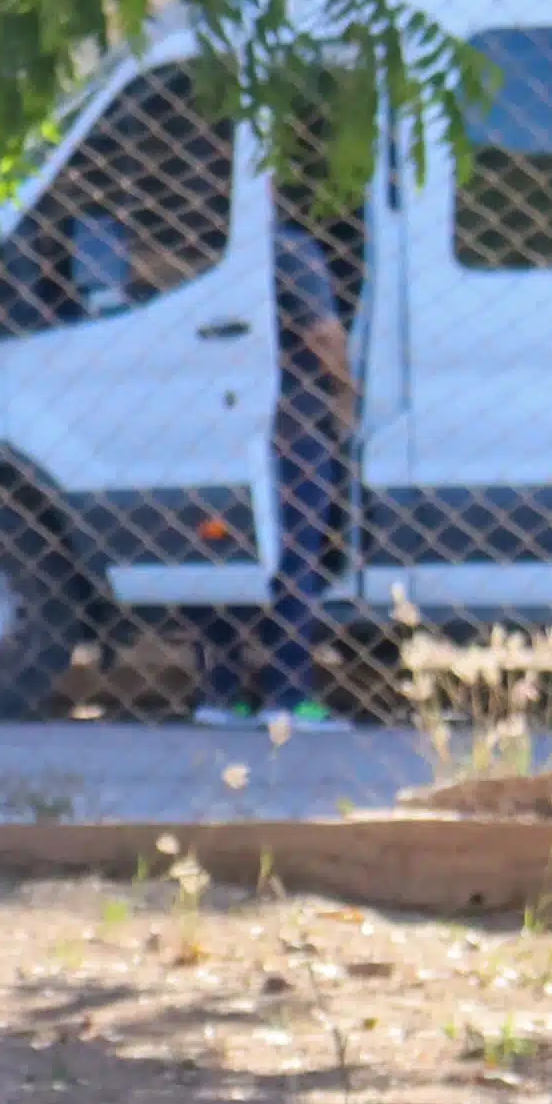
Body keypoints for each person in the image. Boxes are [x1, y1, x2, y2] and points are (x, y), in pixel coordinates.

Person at [199, 170, 362, 730]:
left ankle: (222, 693)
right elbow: (323, 334)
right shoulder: (290, 251)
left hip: (224, 421)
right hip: (295, 426)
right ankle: (289, 694)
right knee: (297, 560)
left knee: (226, 555)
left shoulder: (209, 260)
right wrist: (347, 395)